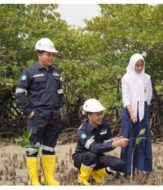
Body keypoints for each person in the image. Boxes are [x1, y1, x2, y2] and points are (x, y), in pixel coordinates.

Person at [15, 38, 64, 185]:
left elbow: (60, 92)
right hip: (37, 116)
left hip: (53, 116)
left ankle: (49, 178)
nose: (51, 57)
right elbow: (19, 92)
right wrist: (28, 112)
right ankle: (34, 179)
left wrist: (60, 109)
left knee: (50, 147)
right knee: (32, 148)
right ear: (39, 54)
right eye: (48, 54)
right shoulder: (29, 72)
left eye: (52, 54)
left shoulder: (56, 73)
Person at [72, 99, 129, 185]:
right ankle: (82, 179)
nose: (101, 116)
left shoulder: (105, 126)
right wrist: (115, 144)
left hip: (98, 156)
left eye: (101, 113)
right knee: (92, 155)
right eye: (97, 114)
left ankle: (95, 174)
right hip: (82, 158)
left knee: (119, 164)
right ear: (89, 116)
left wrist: (113, 141)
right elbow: (94, 148)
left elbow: (105, 146)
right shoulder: (82, 131)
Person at [120, 53, 153, 175]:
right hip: (129, 110)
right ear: (132, 65)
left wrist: (142, 107)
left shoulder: (147, 78)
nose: (139, 68)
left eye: (141, 65)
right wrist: (133, 113)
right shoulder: (126, 78)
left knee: (142, 137)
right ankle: (126, 169)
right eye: (137, 65)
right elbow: (126, 98)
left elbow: (149, 95)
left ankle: (143, 167)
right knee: (128, 138)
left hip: (142, 109)